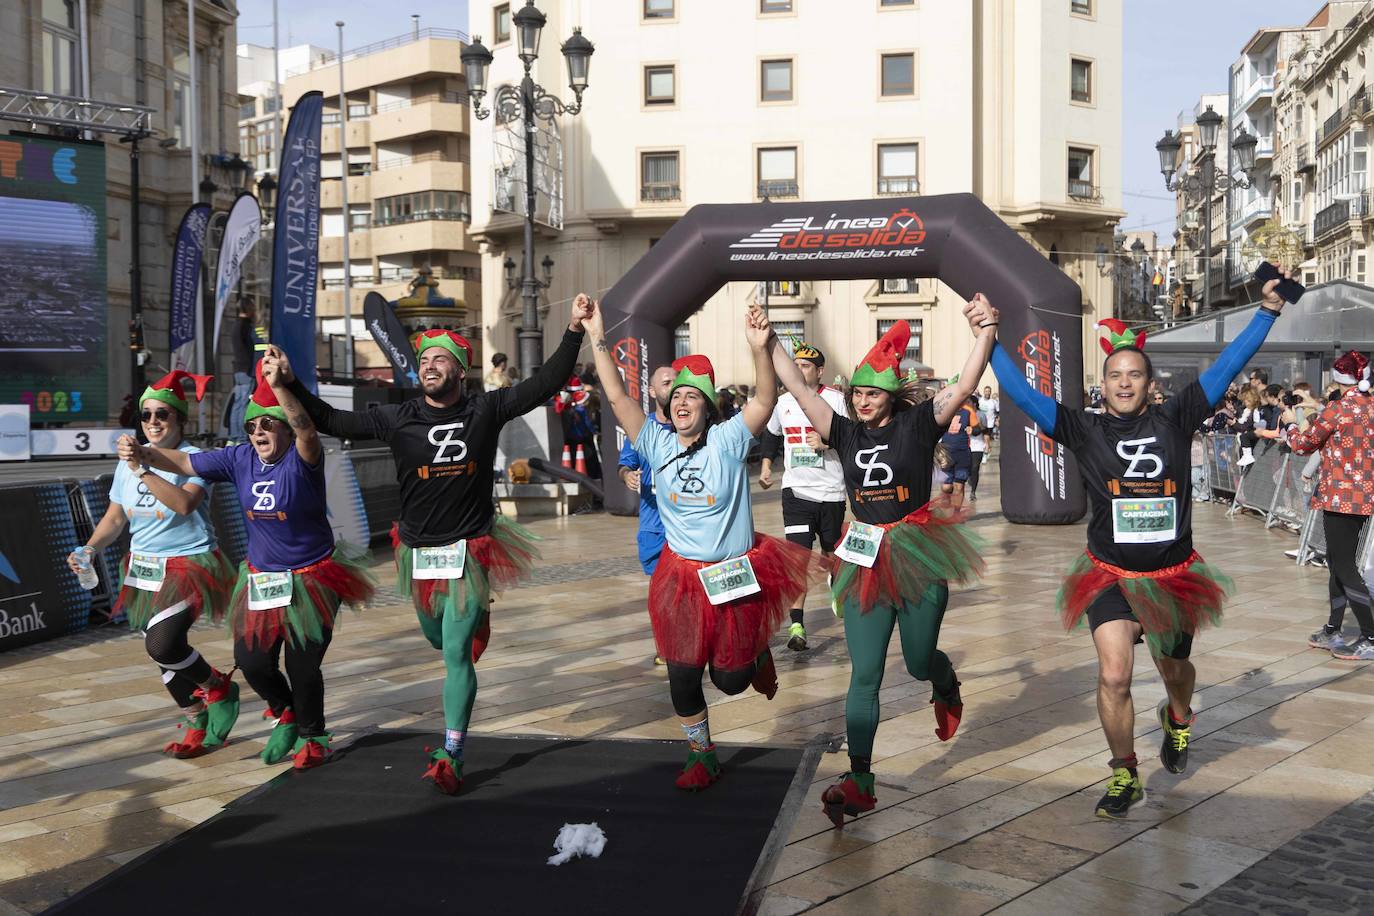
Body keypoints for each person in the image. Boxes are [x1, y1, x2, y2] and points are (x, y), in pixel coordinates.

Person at [989, 277, 1294, 819]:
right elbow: (1021, 395)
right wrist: (989, 338)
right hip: (1108, 574)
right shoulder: (1080, 429)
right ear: (1101, 382)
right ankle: (1125, 771)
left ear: (1150, 384)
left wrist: (1267, 312)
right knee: (1113, 674)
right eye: (1115, 375)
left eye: (1134, 375)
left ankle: (1178, 717)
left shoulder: (1176, 417)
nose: (1124, 383)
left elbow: (1227, 363)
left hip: (1172, 576)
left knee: (1175, 668)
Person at [282, 300, 592, 793]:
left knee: (454, 653)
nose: (429, 365)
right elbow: (331, 421)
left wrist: (574, 329)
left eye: (440, 359)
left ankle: (452, 749)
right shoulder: (397, 416)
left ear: (461, 370)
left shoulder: (485, 408)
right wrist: (288, 383)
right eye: (424, 360)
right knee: (435, 636)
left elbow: (546, 383)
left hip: (470, 549)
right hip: (418, 552)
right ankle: (474, 625)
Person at [766, 301, 994, 827]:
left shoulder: (918, 425)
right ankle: (860, 778)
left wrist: (986, 330)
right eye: (857, 394)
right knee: (864, 675)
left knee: (916, 662)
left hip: (917, 551)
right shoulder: (844, 431)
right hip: (863, 556)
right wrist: (768, 338)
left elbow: (962, 386)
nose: (863, 401)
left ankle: (944, 683)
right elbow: (798, 390)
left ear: (890, 394)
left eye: (872, 393)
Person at [584, 298, 813, 791]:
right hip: (681, 575)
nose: (683, 401)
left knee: (730, 680)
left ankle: (756, 655)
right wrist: (596, 336)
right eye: (677, 396)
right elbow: (617, 396)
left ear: (708, 407)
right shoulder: (656, 442)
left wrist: (759, 348)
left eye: (694, 396)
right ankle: (702, 753)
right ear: (668, 408)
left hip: (731, 575)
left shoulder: (728, 440)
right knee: (683, 675)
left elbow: (765, 402)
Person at [122, 355, 376, 769]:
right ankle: (286, 711)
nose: (258, 432)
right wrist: (142, 455)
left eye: (267, 424)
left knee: (302, 663)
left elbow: (306, 429)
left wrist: (280, 387)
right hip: (263, 577)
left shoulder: (303, 458)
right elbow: (185, 462)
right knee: (254, 661)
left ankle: (313, 735)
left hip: (312, 577)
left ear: (284, 427)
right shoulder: (239, 458)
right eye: (251, 426)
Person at [70, 370, 239, 758]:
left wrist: (142, 469)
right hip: (143, 567)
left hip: (190, 563)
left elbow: (182, 504)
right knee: (160, 649)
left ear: (181, 420)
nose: (153, 423)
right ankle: (196, 718)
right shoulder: (126, 464)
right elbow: (115, 519)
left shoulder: (197, 460)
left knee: (161, 643)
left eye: (163, 414)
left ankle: (219, 687)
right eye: (146, 416)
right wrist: (89, 549)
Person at [758, 341, 848, 651]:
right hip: (796, 492)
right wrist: (767, 465)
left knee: (830, 554)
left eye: (806, 366)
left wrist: (827, 443)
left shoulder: (836, 400)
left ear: (820, 371)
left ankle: (836, 585)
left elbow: (853, 439)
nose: (798, 370)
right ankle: (797, 624)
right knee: (797, 560)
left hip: (831, 492)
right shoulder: (782, 403)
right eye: (795, 364)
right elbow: (770, 435)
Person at [1286, 350, 1374, 660]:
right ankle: (1333, 629)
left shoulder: (1338, 409)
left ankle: (1370, 635)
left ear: (1340, 379)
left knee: (1345, 567)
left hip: (1339, 497)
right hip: (1363, 497)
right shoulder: (1371, 407)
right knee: (1338, 563)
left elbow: (1302, 445)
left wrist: (1290, 425)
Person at [618, 364, 678, 664]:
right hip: (654, 527)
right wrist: (627, 473)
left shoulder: (692, 426)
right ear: (653, 391)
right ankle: (666, 645)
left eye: (678, 382)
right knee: (661, 592)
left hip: (689, 526)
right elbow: (625, 462)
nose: (674, 387)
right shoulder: (642, 429)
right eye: (667, 383)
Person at [228, 297, 266, 438]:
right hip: (246, 370)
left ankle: (233, 436)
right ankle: (241, 436)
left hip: (238, 369)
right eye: (253, 307)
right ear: (248, 309)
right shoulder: (247, 327)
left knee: (237, 404)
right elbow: (255, 347)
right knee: (244, 404)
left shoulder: (236, 325)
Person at [938, 394, 980, 508]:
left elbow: (978, 429)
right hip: (946, 452)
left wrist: (973, 429)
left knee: (959, 486)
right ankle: (948, 500)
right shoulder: (944, 409)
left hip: (962, 452)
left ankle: (956, 514)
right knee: (946, 487)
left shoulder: (968, 411)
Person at [558, 375, 601, 479]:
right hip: (581, 439)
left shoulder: (571, 409)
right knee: (589, 460)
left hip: (569, 439)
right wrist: (595, 432)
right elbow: (588, 424)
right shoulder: (581, 410)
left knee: (574, 460)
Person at [967, 395, 988, 501]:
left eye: (968, 402)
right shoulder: (964, 414)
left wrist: (987, 445)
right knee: (967, 469)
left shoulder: (981, 415)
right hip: (965, 445)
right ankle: (969, 479)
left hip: (978, 445)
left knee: (975, 468)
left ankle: (973, 492)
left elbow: (986, 431)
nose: (966, 404)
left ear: (974, 404)